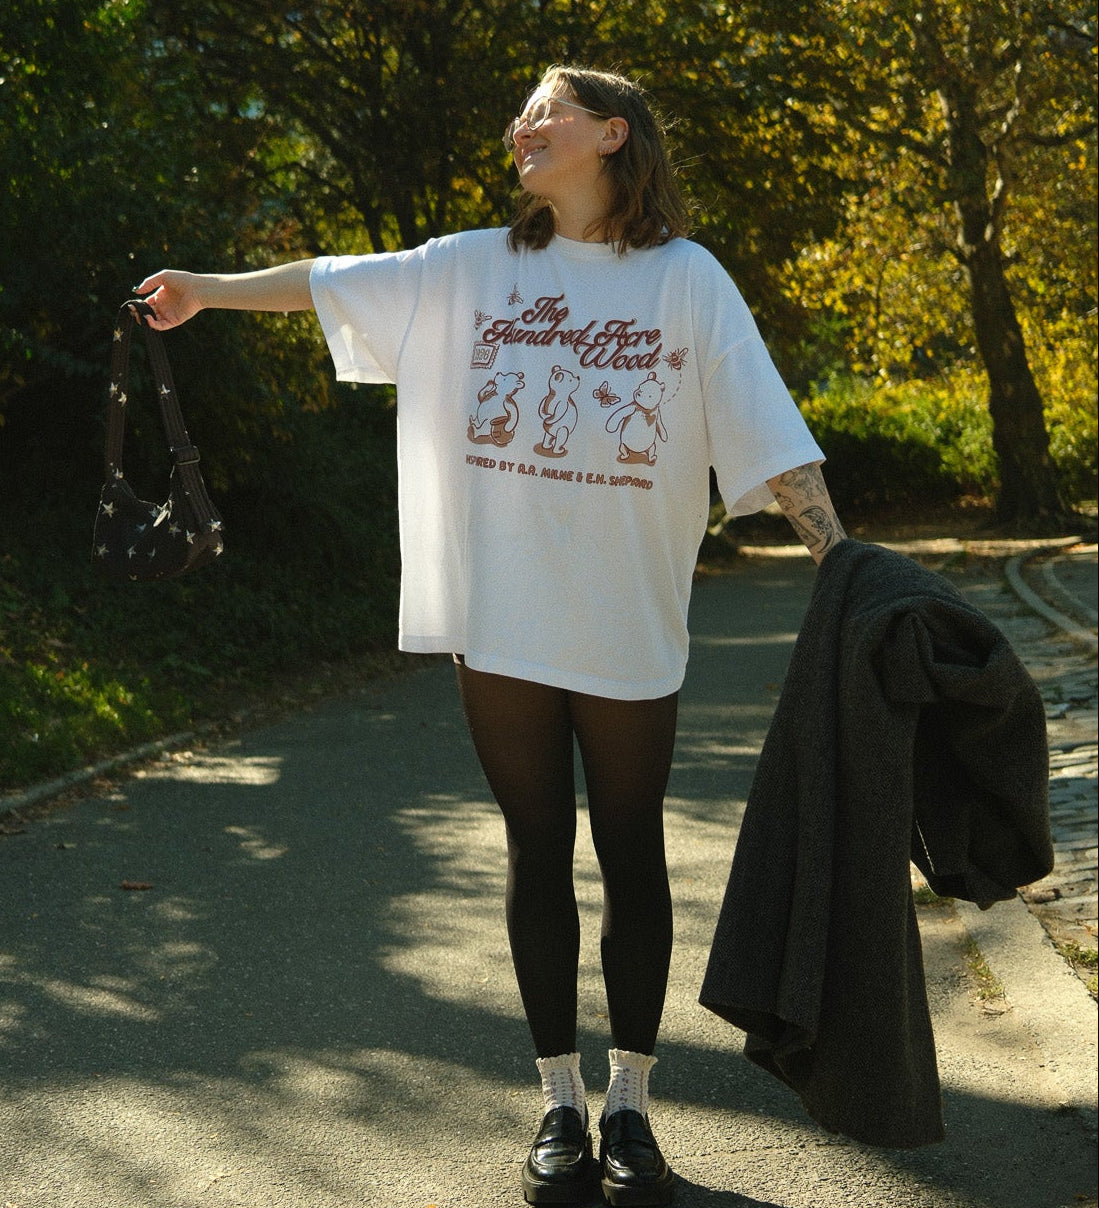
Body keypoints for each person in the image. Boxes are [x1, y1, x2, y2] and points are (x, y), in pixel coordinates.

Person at [137, 64, 845, 1207]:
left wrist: (845, 566)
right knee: (533, 848)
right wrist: (203, 291)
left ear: (612, 134)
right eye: (519, 109)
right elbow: (328, 282)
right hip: (501, 620)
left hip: (624, 616)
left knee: (630, 850)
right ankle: (559, 1097)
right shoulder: (470, 266)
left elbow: (770, 437)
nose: (522, 123)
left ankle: (632, 1106)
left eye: (547, 109)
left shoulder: (687, 282)